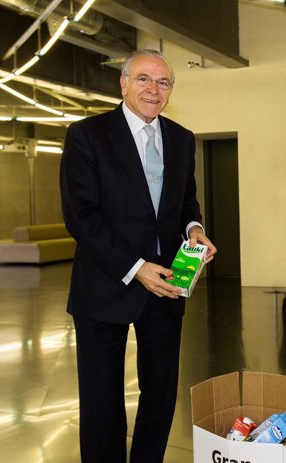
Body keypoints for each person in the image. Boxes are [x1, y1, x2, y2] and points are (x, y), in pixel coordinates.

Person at [60, 48, 216, 462]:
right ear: (123, 83)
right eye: (144, 79)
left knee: (162, 392)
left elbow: (186, 201)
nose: (154, 89)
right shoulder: (86, 135)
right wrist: (135, 268)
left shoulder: (181, 138)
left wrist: (194, 229)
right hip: (104, 285)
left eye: (163, 82)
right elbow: (81, 216)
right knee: (101, 399)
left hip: (165, 287)